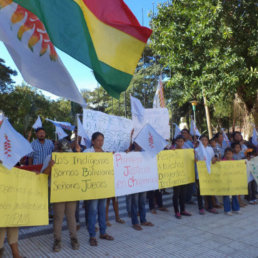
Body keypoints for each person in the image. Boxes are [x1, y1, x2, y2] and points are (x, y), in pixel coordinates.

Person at [42, 139, 80, 252]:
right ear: (58, 148)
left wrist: (79, 154)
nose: (64, 153)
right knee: (58, 218)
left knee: (71, 217)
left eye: (66, 150)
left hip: (71, 191)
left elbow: (81, 169)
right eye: (62, 150)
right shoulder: (50, 157)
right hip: (57, 192)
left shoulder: (73, 156)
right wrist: (50, 166)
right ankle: (57, 240)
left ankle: (74, 239)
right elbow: (44, 174)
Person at [83, 132, 114, 246]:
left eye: (102, 140)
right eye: (98, 140)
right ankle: (92, 236)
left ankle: (103, 232)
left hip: (103, 187)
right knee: (92, 211)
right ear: (93, 141)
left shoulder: (106, 154)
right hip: (92, 188)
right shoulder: (87, 152)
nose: (100, 142)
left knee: (102, 210)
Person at [128, 142, 154, 231]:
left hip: (143, 182)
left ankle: (143, 220)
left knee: (142, 202)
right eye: (138, 143)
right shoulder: (129, 154)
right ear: (134, 144)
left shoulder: (145, 153)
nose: (140, 145)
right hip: (134, 182)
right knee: (134, 202)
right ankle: (135, 222)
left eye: (141, 143)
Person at [195, 135, 218, 215]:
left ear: (207, 141)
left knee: (209, 190)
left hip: (209, 172)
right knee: (200, 191)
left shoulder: (210, 149)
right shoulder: (196, 150)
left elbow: (213, 158)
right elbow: (195, 160)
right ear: (200, 141)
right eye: (202, 140)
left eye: (205, 140)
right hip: (200, 173)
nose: (204, 141)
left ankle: (210, 206)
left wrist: (214, 159)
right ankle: (200, 207)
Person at [172, 135, 192, 219]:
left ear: (184, 142)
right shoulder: (172, 150)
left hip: (184, 175)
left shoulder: (186, 151)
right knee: (176, 194)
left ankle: (183, 210)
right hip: (175, 176)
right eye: (178, 141)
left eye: (182, 141)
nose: (180, 143)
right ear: (175, 142)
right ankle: (177, 211)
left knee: (183, 194)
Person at [222, 148, 241, 215]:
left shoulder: (234, 161)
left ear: (232, 154)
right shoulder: (222, 162)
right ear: (224, 154)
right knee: (226, 195)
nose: (228, 155)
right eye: (227, 153)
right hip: (225, 181)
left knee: (234, 194)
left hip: (233, 181)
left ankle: (236, 208)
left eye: (230, 153)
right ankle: (227, 210)